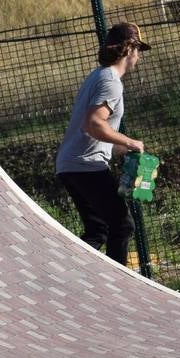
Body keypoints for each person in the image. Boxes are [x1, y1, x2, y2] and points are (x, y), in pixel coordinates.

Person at [54, 22, 150, 265]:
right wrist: (130, 141)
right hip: (85, 166)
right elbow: (94, 124)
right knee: (122, 225)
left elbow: (98, 132)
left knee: (98, 230)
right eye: (138, 50)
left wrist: (125, 150)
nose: (138, 57)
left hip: (73, 165)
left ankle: (75, 276)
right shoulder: (111, 82)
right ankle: (118, 284)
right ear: (129, 49)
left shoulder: (99, 75)